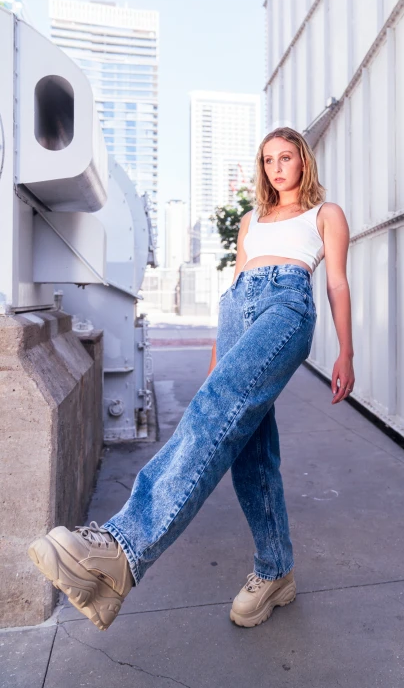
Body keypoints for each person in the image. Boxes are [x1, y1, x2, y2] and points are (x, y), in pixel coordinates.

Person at [27, 126, 355, 632]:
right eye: (267, 160)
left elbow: (336, 281)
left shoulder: (325, 215)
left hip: (287, 306)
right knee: (250, 449)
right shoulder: (250, 222)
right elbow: (235, 292)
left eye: (285, 158)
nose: (276, 168)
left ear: (303, 162)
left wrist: (346, 353)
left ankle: (122, 549)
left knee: (216, 415)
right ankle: (276, 570)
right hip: (239, 311)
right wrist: (215, 360)